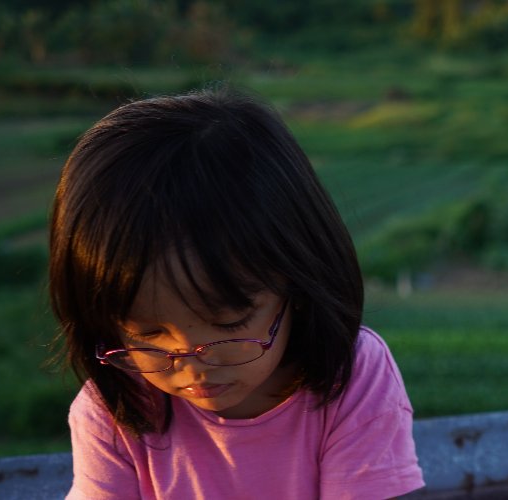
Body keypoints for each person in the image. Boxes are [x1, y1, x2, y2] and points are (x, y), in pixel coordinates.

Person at [50, 88, 424, 499]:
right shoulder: (116, 411)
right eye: (149, 334)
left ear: (297, 283)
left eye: (229, 323)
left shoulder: (350, 379)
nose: (194, 364)